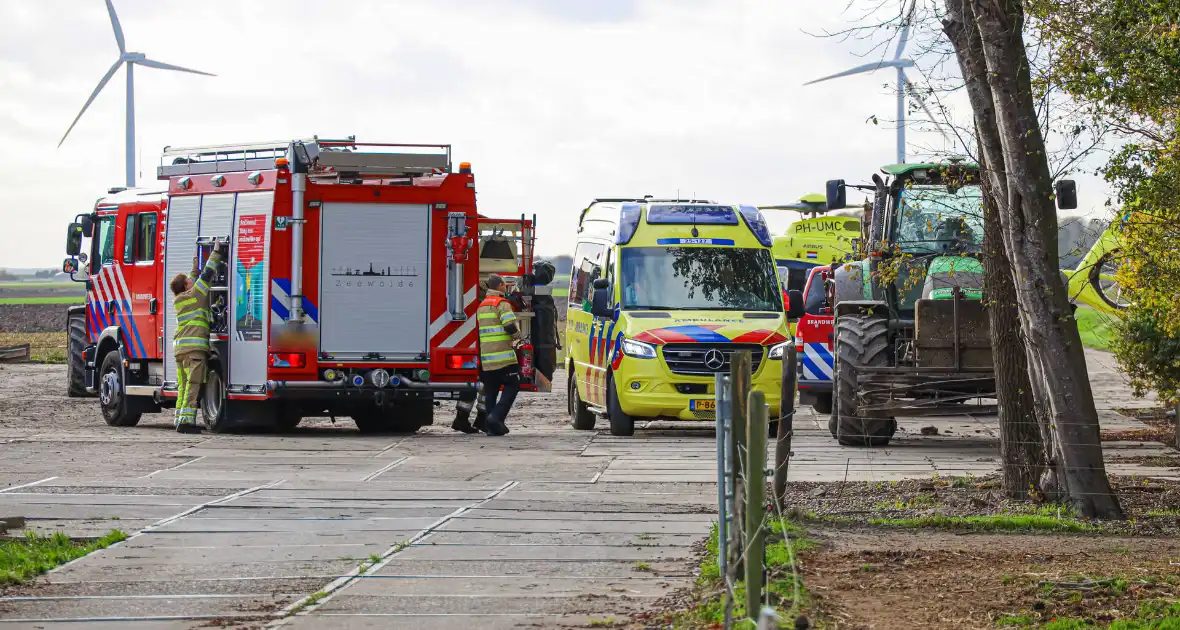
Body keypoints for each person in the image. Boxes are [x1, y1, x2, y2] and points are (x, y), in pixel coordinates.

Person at [171, 239, 226, 434]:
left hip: (180, 351)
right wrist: (217, 253)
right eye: (188, 280)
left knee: (183, 385)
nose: (191, 280)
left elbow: (196, 280)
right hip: (194, 351)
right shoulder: (196, 295)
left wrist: (193, 270)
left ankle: (179, 419)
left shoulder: (180, 299)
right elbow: (208, 275)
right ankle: (186, 423)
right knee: (193, 385)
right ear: (186, 286)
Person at [475, 274, 522, 436]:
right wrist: (518, 336)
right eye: (504, 284)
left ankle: (492, 427)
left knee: (491, 391)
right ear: (501, 285)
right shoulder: (501, 304)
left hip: (487, 359)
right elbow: (509, 325)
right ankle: (496, 417)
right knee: (513, 384)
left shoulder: (481, 305)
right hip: (504, 357)